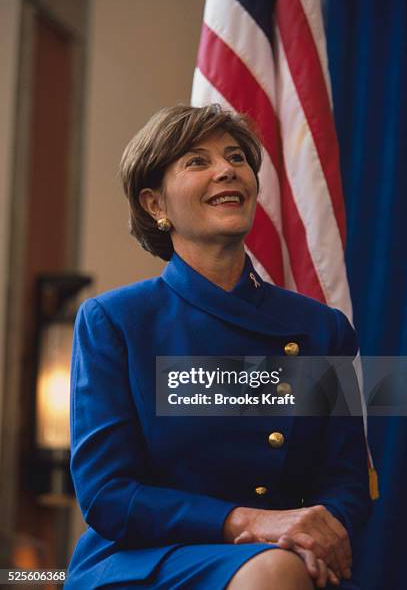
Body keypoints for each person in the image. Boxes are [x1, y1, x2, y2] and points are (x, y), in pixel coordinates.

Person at [65, 104, 371, 589]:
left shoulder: (320, 329)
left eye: (236, 158)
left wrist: (309, 533)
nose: (227, 169)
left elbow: (347, 483)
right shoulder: (116, 321)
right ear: (155, 205)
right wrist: (250, 522)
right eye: (196, 161)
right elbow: (108, 494)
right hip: (144, 561)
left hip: (288, 557)